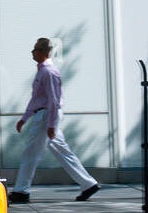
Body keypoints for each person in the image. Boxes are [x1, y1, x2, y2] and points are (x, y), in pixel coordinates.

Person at [9, 38, 98, 204]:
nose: (32, 53)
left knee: (31, 153)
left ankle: (21, 191)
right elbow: (36, 98)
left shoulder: (48, 72)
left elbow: (54, 101)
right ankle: (88, 184)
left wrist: (51, 124)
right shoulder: (43, 71)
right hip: (44, 116)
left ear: (43, 52)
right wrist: (25, 118)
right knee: (62, 152)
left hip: (45, 116)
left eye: (35, 50)